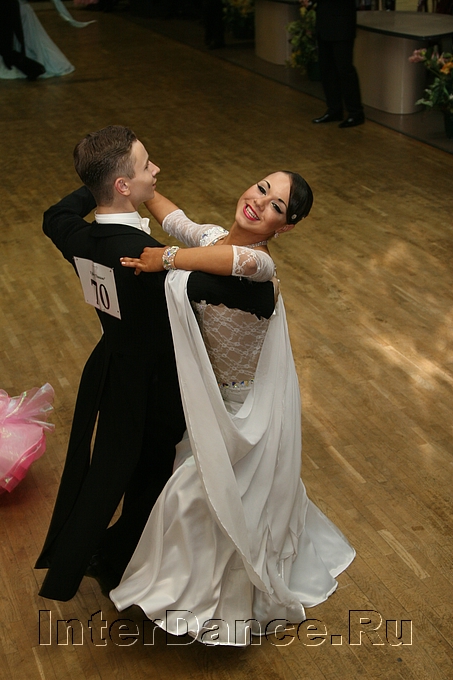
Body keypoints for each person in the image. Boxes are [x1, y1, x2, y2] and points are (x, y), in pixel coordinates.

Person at [111, 172, 356, 646]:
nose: (260, 203)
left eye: (276, 206)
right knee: (207, 498)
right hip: (210, 402)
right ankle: (188, 590)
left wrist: (164, 258)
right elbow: (177, 220)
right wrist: (142, 191)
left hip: (245, 412)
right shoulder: (213, 240)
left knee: (196, 495)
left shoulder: (258, 263)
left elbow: (221, 259)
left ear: (285, 227)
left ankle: (206, 603)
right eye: (262, 189)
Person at [35, 125, 276, 601]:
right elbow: (255, 294)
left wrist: (95, 182)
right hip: (158, 382)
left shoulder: (79, 237)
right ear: (124, 185)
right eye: (147, 165)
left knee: (109, 466)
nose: (156, 169)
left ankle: (89, 558)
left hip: (111, 366)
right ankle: (125, 562)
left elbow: (53, 215)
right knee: (150, 473)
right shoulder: (142, 260)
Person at [312, 0, 365, 128]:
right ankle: (334, 110)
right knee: (326, 68)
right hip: (324, 22)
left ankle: (356, 112)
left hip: (342, 24)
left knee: (345, 69)